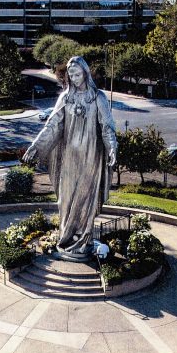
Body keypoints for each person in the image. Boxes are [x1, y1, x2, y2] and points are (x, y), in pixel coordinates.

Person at [23, 56, 117, 258]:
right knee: (65, 199)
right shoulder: (65, 98)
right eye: (70, 74)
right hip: (69, 157)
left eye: (77, 73)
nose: (74, 78)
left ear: (85, 72)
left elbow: (107, 127)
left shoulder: (98, 97)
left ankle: (84, 240)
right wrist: (36, 146)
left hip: (90, 156)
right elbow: (52, 125)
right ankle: (67, 238)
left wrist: (112, 148)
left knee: (85, 199)